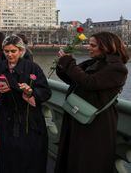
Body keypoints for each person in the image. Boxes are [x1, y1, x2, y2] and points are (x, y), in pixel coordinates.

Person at [55, 32, 129, 173]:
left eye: (93, 45)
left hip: (97, 121)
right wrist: (62, 65)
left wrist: (69, 63)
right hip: (79, 115)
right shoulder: (94, 62)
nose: (88, 47)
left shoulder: (117, 68)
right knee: (75, 157)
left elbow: (90, 83)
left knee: (89, 160)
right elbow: (73, 79)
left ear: (106, 46)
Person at [0, 35, 51, 173]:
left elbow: (46, 92)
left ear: (21, 51)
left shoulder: (33, 67)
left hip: (30, 119)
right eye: (6, 51)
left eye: (13, 51)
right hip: (7, 117)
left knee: (30, 156)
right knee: (8, 156)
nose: (9, 55)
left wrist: (31, 92)